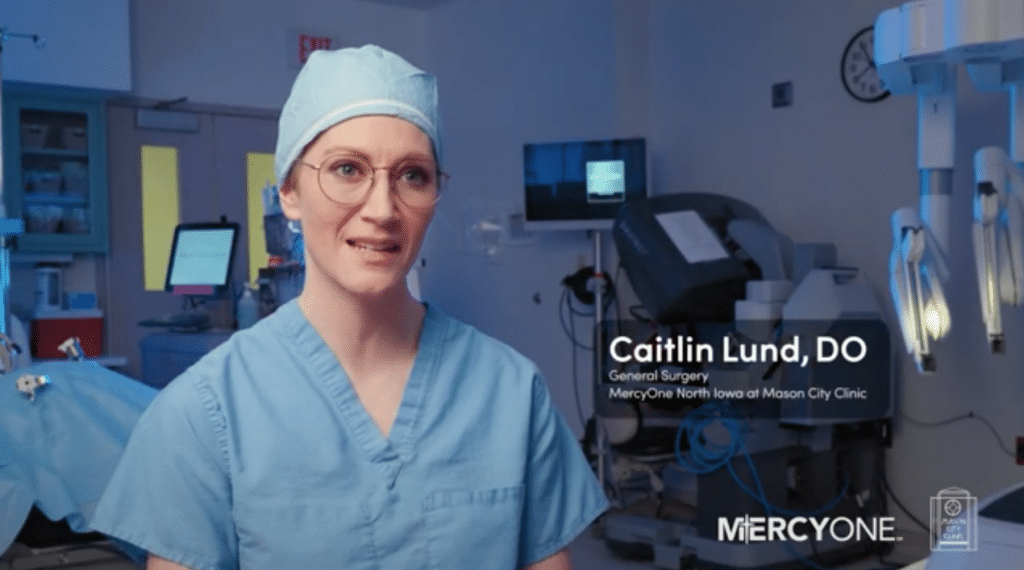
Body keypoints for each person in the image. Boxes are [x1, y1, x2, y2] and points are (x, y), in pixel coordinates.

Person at [91, 45, 608, 570]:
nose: (382, 210)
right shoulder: (204, 413)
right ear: (289, 191)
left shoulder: (510, 394)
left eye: (413, 175)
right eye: (347, 169)